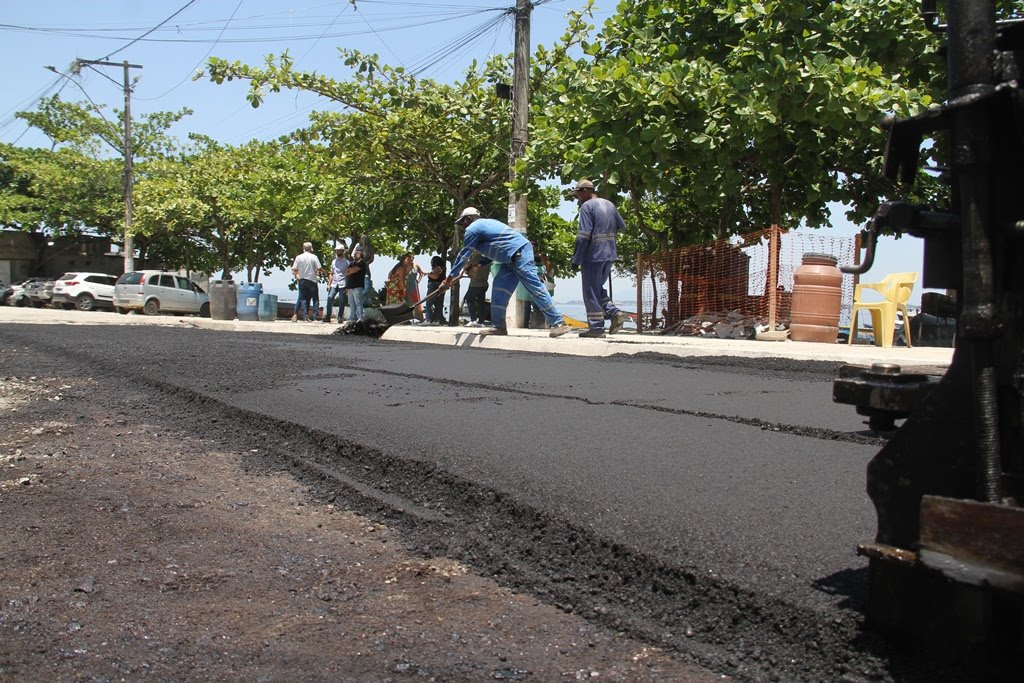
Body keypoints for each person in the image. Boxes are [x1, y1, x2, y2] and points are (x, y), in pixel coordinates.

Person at [445, 207, 569, 338]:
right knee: (499, 292)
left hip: (519, 254)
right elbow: (496, 249)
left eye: (462, 223)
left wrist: (448, 280)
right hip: (509, 258)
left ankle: (558, 324)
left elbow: (463, 256)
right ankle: (498, 327)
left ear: (468, 219)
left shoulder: (472, 229)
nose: (462, 227)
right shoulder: (487, 225)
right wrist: (477, 265)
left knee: (535, 288)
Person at [571, 179, 628, 338]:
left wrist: (576, 259)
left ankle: (596, 327)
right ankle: (614, 312)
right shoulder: (610, 204)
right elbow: (622, 226)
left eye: (578, 194)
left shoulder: (587, 207)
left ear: (585, 191)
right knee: (596, 288)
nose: (578, 198)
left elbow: (583, 236)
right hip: (609, 254)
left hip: (593, 255)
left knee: (590, 291)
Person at [290, 242, 323, 322]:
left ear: (303, 248)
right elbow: (319, 268)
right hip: (312, 280)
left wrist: (298, 277)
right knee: (315, 299)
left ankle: (305, 316)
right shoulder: (314, 257)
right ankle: (315, 317)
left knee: (303, 299)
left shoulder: (298, 257)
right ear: (311, 248)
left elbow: (294, 270)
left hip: (302, 280)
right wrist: (320, 273)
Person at [462, 252, 489, 327]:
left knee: (469, 300)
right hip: (484, 284)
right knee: (481, 303)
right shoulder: (485, 260)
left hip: (475, 284)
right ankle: (481, 322)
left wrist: (467, 260)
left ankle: (473, 319)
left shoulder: (473, 260)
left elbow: (465, 269)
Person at [323, 245, 349, 323]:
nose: (337, 252)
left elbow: (349, 274)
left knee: (342, 301)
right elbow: (331, 273)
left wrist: (348, 286)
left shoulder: (347, 262)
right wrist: (328, 284)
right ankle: (328, 317)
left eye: (338, 251)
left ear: (342, 251)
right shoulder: (334, 261)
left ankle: (340, 317)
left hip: (343, 283)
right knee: (330, 298)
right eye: (336, 251)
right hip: (334, 283)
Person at [343, 245, 368, 324]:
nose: (355, 254)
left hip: (358, 285)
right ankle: (352, 317)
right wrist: (349, 271)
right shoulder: (352, 263)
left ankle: (360, 317)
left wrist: (350, 271)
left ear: (360, 255)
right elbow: (346, 272)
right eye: (355, 253)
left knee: (358, 302)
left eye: (357, 253)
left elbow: (353, 270)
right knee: (351, 302)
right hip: (350, 286)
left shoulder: (362, 263)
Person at [425, 255, 446, 325]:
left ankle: (428, 319)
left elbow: (435, 276)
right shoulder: (442, 268)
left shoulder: (437, 268)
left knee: (429, 302)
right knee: (438, 304)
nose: (430, 262)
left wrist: (428, 274)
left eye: (431, 260)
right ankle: (436, 320)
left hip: (434, 286)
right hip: (440, 286)